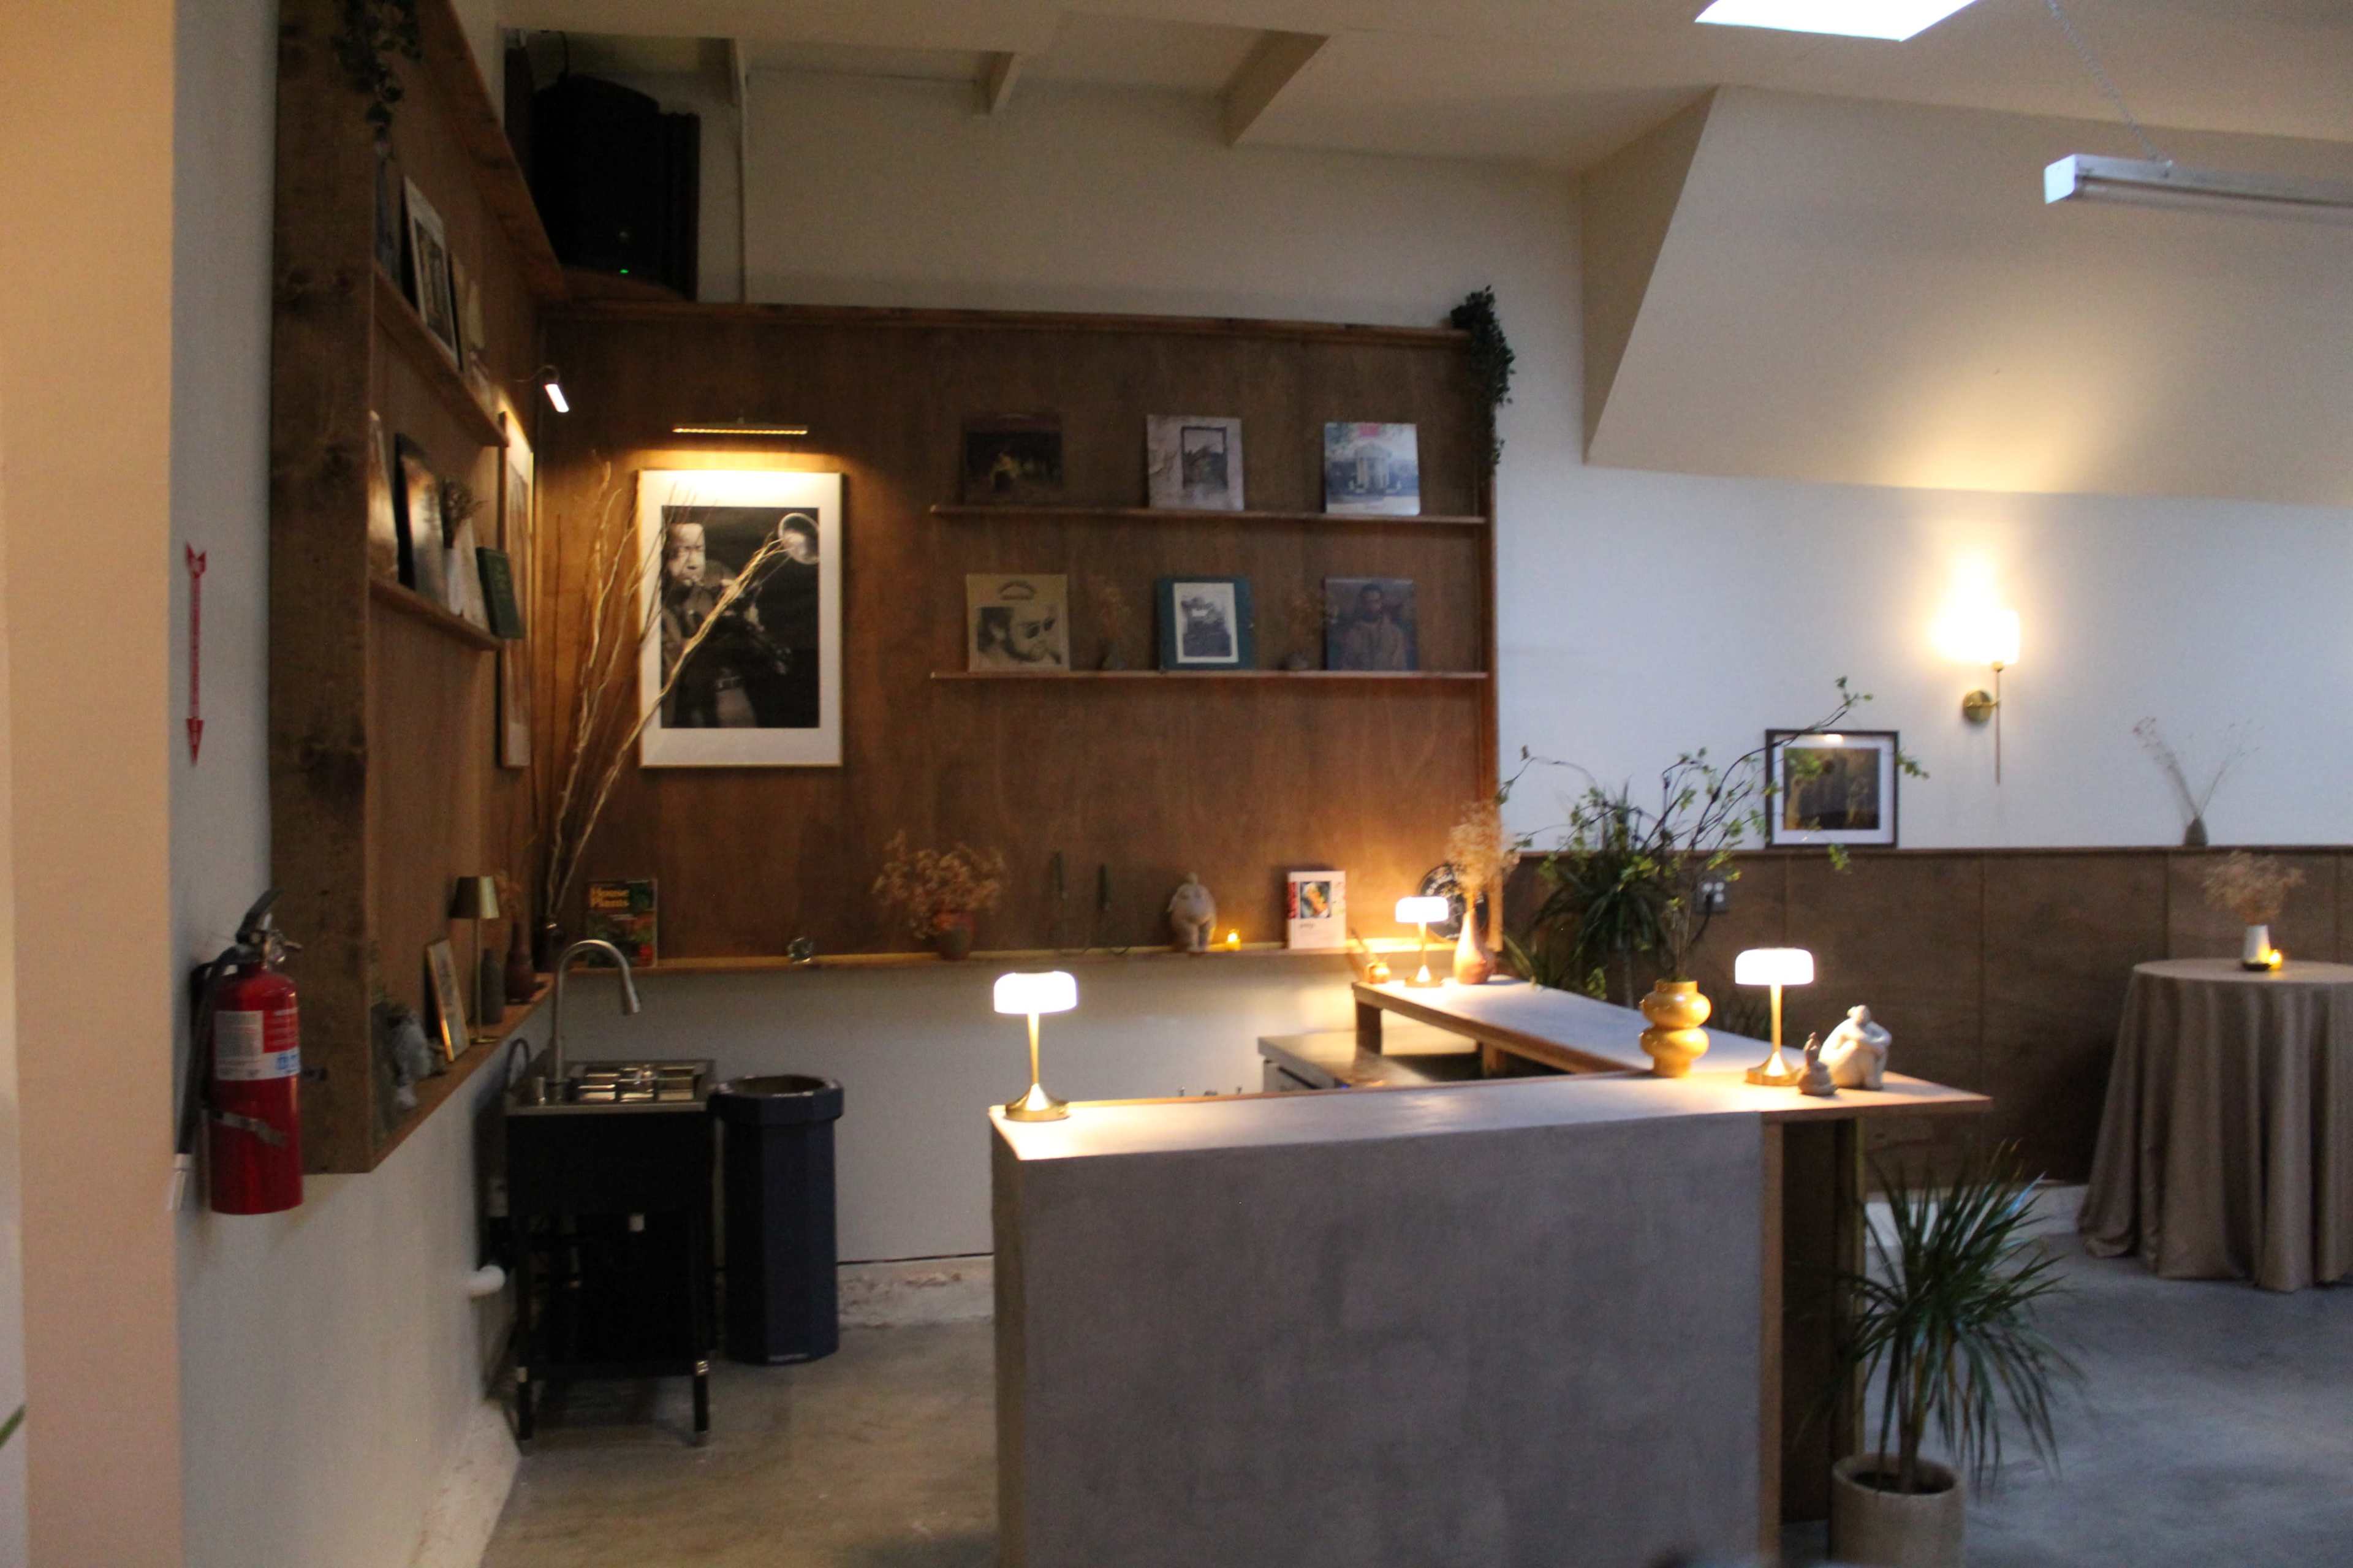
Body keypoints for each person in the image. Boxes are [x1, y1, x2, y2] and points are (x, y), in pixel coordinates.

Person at [659, 515, 791, 729]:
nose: (694, 563)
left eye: (699, 550)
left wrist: (744, 608)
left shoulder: (716, 572)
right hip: (687, 706)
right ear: (664, 554)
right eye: (682, 551)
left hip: (733, 697)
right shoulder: (656, 600)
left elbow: (753, 633)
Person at [1335, 581, 1409, 671]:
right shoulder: (1351, 634)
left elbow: (1401, 667)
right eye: (1368, 602)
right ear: (1362, 604)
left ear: (1381, 602)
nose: (1372, 607)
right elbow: (1345, 667)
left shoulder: (1396, 634)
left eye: (1376, 602)